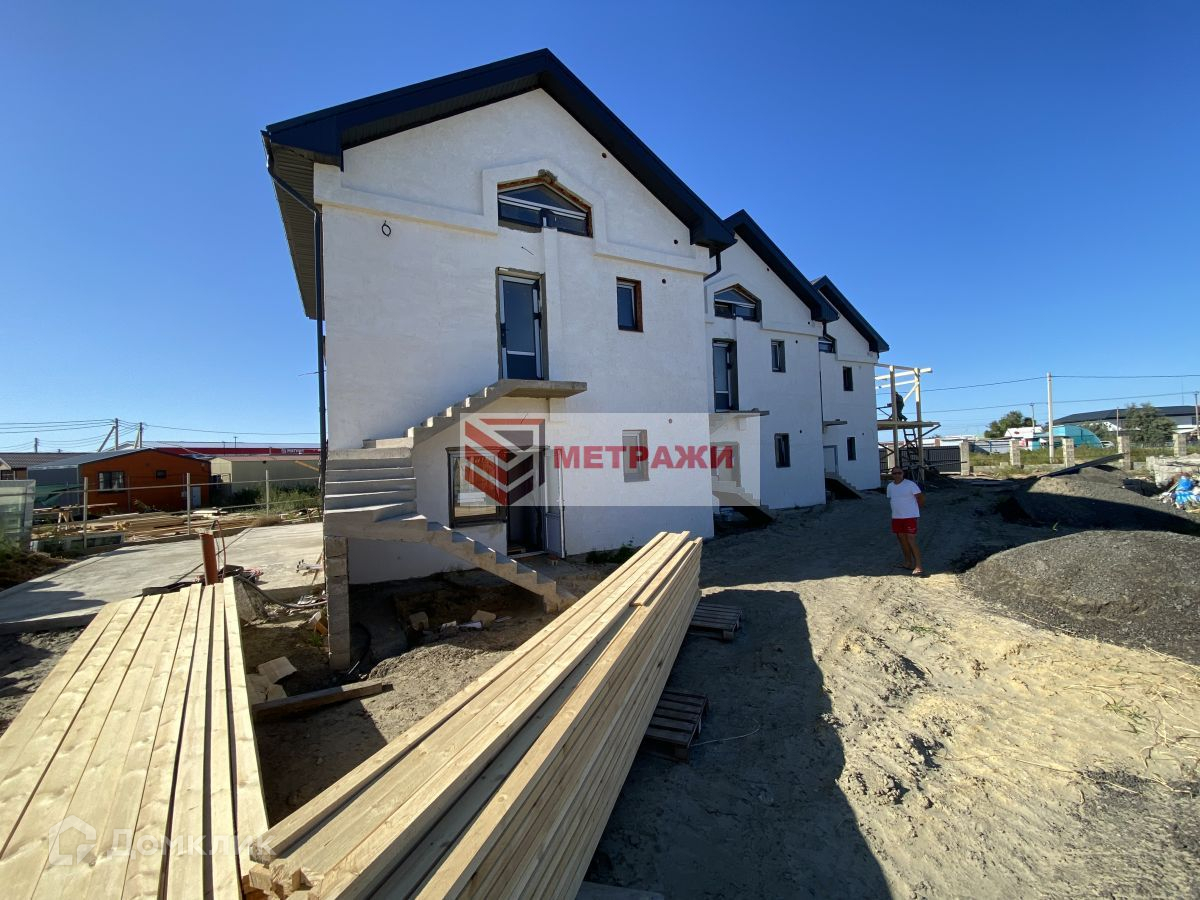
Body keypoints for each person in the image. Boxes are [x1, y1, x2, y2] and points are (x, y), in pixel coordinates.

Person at [886, 466, 925, 575]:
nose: (897, 475)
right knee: (902, 540)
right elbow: (892, 499)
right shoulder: (890, 486)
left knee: (911, 539)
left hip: (909, 517)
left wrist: (917, 510)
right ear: (892, 475)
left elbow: (920, 497)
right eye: (895, 473)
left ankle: (918, 566)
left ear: (903, 473)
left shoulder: (910, 484)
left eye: (899, 473)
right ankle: (908, 562)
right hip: (896, 517)